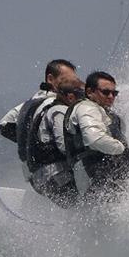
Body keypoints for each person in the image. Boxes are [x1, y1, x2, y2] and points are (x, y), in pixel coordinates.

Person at [65, 71, 129, 202]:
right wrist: (122, 149)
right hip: (94, 177)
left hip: (103, 174)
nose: (111, 96)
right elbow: (95, 139)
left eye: (114, 93)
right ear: (90, 92)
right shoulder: (86, 108)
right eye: (106, 92)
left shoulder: (101, 111)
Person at [0, 59, 79, 179]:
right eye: (66, 81)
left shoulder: (29, 103)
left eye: (73, 82)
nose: (71, 86)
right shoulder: (56, 104)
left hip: (35, 176)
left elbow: (3, 125)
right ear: (50, 79)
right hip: (56, 172)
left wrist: (31, 144)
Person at [25, 79, 85, 208]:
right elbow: (64, 145)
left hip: (43, 176)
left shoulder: (51, 109)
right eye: (83, 98)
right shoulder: (60, 111)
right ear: (70, 97)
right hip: (54, 175)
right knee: (81, 207)